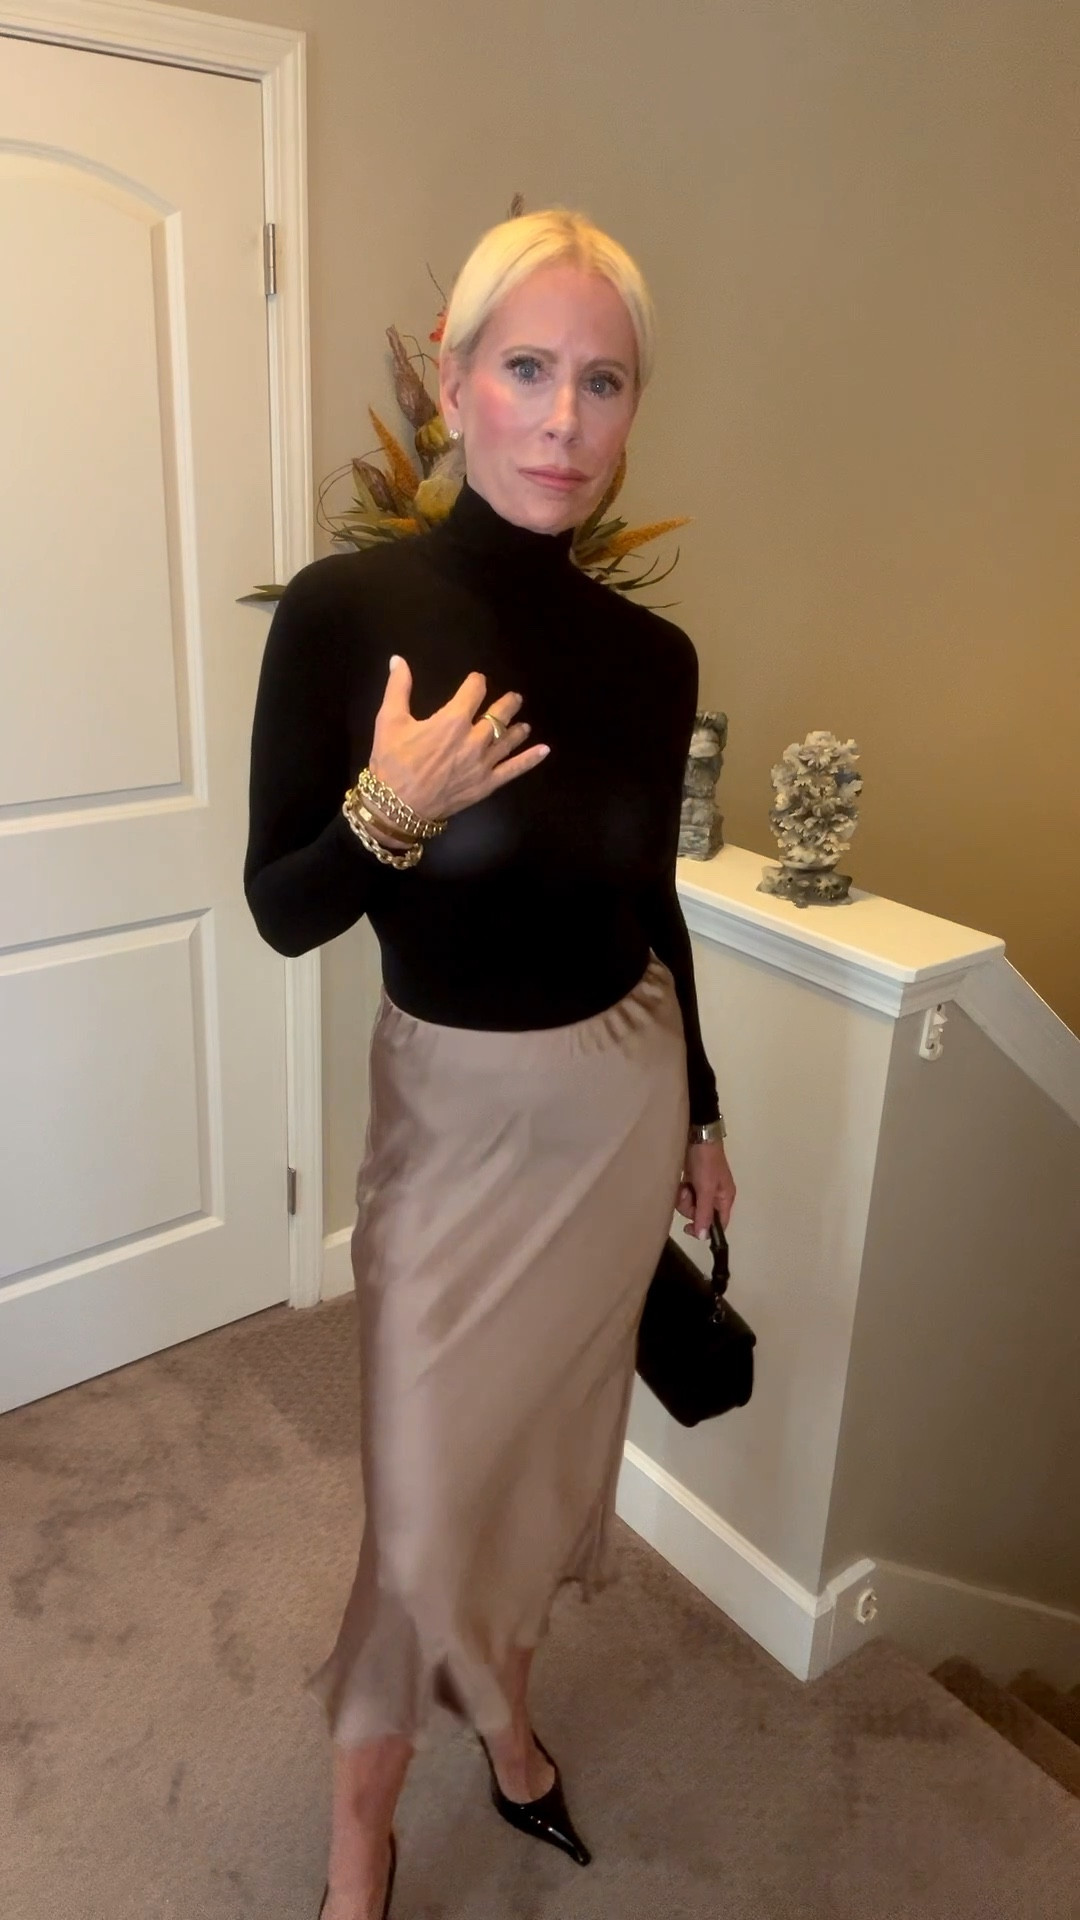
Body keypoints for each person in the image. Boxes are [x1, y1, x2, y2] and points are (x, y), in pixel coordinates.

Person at [244, 208, 736, 1920]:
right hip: (452, 1128)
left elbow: (651, 904)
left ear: (631, 413)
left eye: (603, 382)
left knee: (536, 1471)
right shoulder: (348, 615)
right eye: (527, 369)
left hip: (621, 1107)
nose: (563, 419)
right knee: (421, 1521)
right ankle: (359, 1855)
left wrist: (705, 1111)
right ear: (454, 387)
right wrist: (391, 812)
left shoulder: (651, 661)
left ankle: (511, 1734)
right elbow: (282, 911)